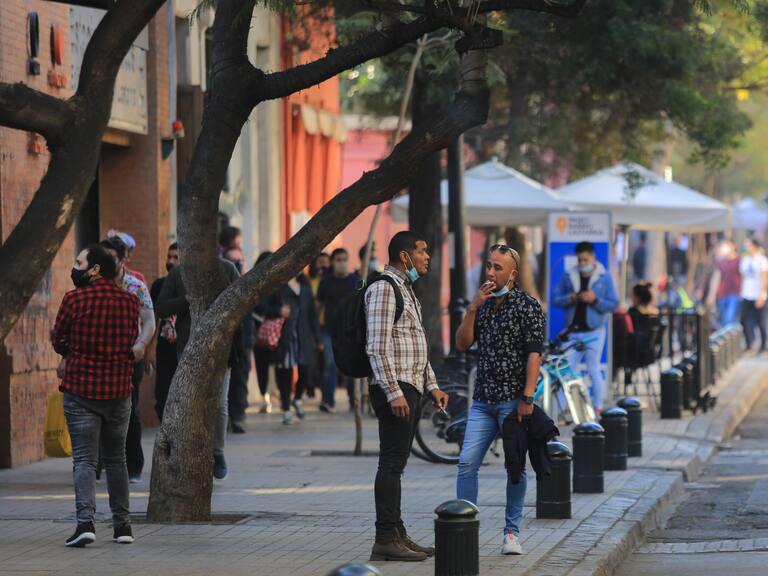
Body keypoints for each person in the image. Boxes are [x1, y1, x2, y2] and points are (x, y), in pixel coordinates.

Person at [454, 244, 544, 556]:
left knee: (515, 468)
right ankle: (463, 528)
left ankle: (511, 533)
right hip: (483, 401)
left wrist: (528, 397)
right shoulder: (484, 305)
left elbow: (535, 356)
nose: (491, 273)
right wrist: (473, 307)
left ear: (513, 274)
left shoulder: (527, 306)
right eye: (489, 266)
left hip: (513, 402)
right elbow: (463, 344)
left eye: (498, 268)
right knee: (466, 463)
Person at [366, 231, 448, 562]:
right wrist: (392, 391)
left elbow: (414, 345)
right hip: (395, 388)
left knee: (397, 464)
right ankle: (385, 537)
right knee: (390, 463)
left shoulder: (405, 289)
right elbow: (377, 345)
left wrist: (432, 385)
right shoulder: (384, 288)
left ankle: (397, 533)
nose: (427, 257)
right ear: (404, 255)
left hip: (410, 386)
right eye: (422, 251)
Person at [52, 244, 140, 547]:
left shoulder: (74, 300)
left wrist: (72, 352)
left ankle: (85, 523)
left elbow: (57, 337)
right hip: (118, 391)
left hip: (81, 392)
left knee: (85, 461)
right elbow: (131, 341)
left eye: (79, 262)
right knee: (117, 460)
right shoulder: (130, 302)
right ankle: (123, 527)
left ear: (94, 269)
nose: (75, 267)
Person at [157, 250, 239, 480]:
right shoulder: (178, 273)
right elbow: (162, 307)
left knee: (220, 403)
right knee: (188, 401)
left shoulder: (227, 269)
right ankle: (187, 451)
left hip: (222, 346)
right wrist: (186, 299)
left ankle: (218, 451)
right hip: (187, 346)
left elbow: (244, 302)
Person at [101, 236, 155, 484]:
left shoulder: (136, 286)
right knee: (97, 410)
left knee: (129, 409)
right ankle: (100, 461)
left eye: (111, 258)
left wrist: (141, 345)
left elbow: (149, 320)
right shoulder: (92, 286)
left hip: (128, 357)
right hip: (98, 357)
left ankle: (134, 463)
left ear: (123, 259)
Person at [553, 241, 619, 411]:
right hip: (573, 332)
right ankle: (558, 411)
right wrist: (571, 298)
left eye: (585, 259)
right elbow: (556, 298)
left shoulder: (604, 276)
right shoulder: (569, 275)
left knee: (593, 369)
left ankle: (597, 406)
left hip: (594, 331)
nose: (582, 263)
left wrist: (595, 300)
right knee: (565, 371)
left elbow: (613, 304)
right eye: (580, 260)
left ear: (593, 257)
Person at [265, 273, 322, 425]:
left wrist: (318, 339)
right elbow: (263, 307)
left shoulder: (306, 289)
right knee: (285, 373)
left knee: (305, 371)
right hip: (284, 338)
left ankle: (297, 399)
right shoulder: (278, 288)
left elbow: (313, 317)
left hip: (304, 338)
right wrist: (279, 311)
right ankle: (286, 408)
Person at [317, 248, 361, 412]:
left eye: (344, 259)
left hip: (350, 332)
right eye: (338, 259)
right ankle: (328, 401)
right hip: (329, 331)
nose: (342, 263)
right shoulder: (326, 282)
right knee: (330, 365)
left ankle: (353, 400)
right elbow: (318, 307)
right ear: (333, 262)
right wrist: (317, 333)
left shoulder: (356, 281)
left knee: (350, 366)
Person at [220, 226, 252, 433]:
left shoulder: (220, 257)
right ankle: (237, 414)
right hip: (240, 322)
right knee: (240, 370)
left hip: (227, 321)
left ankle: (232, 414)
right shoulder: (234, 257)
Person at [149, 242, 179, 421]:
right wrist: (150, 348)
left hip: (184, 347)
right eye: (169, 257)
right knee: (162, 396)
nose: (170, 261)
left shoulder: (192, 286)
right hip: (164, 348)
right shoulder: (159, 285)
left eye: (176, 258)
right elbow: (154, 318)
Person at [253, 251, 278, 414]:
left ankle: (273, 394)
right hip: (257, 332)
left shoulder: (278, 284)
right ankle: (265, 398)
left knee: (275, 366)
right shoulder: (254, 284)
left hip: (275, 333)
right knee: (261, 366)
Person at [740, 238, 768, 352]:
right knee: (744, 319)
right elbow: (743, 277)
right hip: (747, 293)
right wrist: (741, 292)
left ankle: (763, 345)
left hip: (758, 294)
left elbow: (765, 278)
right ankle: (749, 343)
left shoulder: (762, 260)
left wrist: (762, 294)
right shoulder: (745, 260)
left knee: (761, 321)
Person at [712, 240, 741, 327]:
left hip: (735, 294)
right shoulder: (721, 262)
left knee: (729, 319)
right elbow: (716, 278)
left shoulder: (739, 260)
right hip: (722, 294)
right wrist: (712, 295)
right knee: (724, 320)